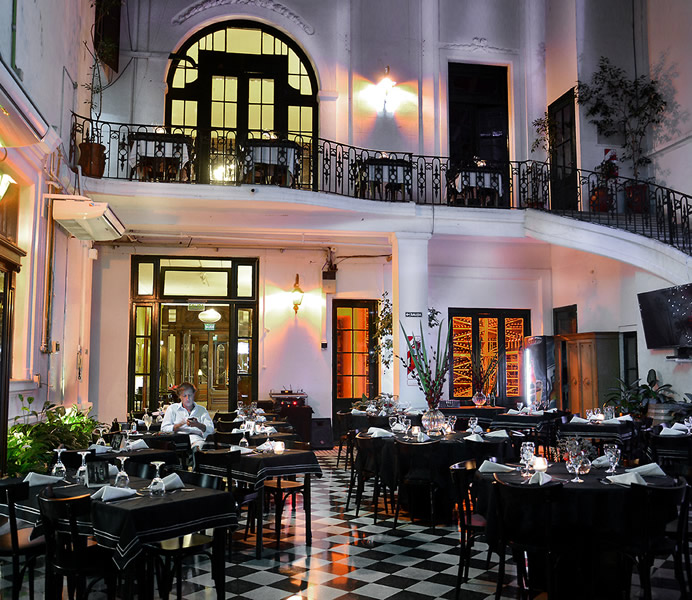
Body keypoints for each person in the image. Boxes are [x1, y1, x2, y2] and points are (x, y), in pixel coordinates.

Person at [160, 382, 214, 451]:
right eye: (184, 396)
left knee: (199, 447)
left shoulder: (202, 410)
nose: (187, 398)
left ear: (194, 394)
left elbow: (211, 429)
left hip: (196, 440)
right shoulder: (172, 408)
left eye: (190, 395)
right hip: (178, 440)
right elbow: (163, 428)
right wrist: (178, 426)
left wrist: (198, 425)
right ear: (179, 396)